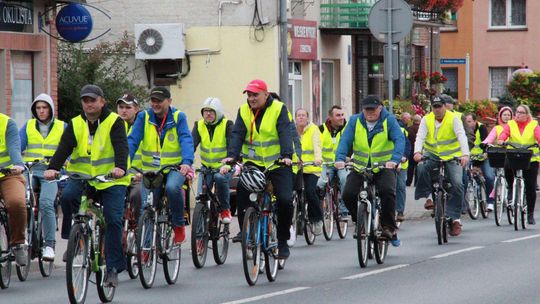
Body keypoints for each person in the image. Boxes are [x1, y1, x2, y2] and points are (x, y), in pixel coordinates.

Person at [44, 84, 130, 287]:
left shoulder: (114, 121)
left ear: (102, 101)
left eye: (93, 100)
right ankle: (73, 240)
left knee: (113, 219)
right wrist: (53, 168)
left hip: (111, 180)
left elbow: (121, 147)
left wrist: (120, 168)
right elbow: (64, 147)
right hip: (82, 177)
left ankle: (112, 269)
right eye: (85, 100)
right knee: (66, 197)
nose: (89, 104)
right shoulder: (75, 123)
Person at [223, 79, 294, 259]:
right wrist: (232, 155)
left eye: (255, 95)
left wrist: (287, 155)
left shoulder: (278, 109)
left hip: (277, 163)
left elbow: (285, 132)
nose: (251, 98)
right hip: (253, 163)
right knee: (241, 193)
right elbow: (237, 134)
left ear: (265, 94)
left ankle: (283, 239)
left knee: (285, 200)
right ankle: (247, 232)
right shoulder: (244, 110)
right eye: (249, 95)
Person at [128, 86, 194, 244]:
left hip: (174, 168)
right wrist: (122, 163)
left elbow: (186, 139)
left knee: (172, 188)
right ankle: (145, 248)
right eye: (153, 100)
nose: (155, 104)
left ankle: (178, 225)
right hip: (151, 170)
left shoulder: (178, 117)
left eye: (159, 101)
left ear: (169, 101)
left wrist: (186, 162)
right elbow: (132, 141)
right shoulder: (143, 117)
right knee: (147, 207)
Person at [336, 95, 404, 247]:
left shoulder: (389, 120)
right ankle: (360, 220)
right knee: (348, 194)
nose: (370, 113)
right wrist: (340, 158)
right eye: (367, 109)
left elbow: (399, 140)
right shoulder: (355, 121)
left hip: (383, 167)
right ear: (362, 109)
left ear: (380, 108)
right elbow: (345, 140)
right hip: (360, 167)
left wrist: (394, 160)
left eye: (373, 109)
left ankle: (388, 227)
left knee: (387, 191)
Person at [413, 96, 470, 237]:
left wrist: (465, 154)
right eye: (435, 107)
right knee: (421, 167)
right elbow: (420, 136)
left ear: (445, 106)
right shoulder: (427, 119)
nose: (437, 109)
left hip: (452, 156)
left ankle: (456, 219)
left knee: (457, 184)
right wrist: (417, 152)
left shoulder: (453, 118)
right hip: (433, 154)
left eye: (439, 106)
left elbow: (461, 135)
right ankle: (428, 197)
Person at [19, 93, 65, 261]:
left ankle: (49, 246)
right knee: (21, 201)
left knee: (46, 203)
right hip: (29, 170)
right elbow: (18, 146)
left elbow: (69, 149)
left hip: (51, 172)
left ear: (51, 109)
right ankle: (20, 240)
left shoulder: (62, 127)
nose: (41, 111)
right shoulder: (28, 126)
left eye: (44, 107)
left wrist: (62, 164)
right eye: (38, 108)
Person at [192, 97, 233, 224]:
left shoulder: (227, 125)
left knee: (220, 179)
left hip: (223, 168)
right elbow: (191, 145)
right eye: (205, 111)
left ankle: (225, 209)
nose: (208, 114)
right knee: (201, 197)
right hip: (206, 168)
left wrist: (228, 164)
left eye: (211, 111)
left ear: (218, 112)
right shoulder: (199, 125)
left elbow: (233, 147)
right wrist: (186, 163)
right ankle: (200, 229)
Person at [497, 105, 540, 225]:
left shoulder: (533, 125)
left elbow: (538, 136)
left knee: (531, 187)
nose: (518, 114)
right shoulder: (510, 124)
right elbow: (504, 135)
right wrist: (501, 140)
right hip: (514, 156)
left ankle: (530, 214)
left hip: (531, 159)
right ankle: (511, 189)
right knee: (507, 166)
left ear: (527, 114)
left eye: (521, 112)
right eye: (517, 112)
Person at [0, 113, 27, 266]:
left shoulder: (6, 123)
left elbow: (14, 147)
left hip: (9, 174)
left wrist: (18, 164)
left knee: (17, 202)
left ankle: (17, 243)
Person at [317, 105, 350, 219]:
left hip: (342, 164)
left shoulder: (348, 128)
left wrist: (349, 156)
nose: (341, 118)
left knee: (345, 179)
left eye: (342, 115)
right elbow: (316, 147)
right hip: (327, 165)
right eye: (338, 115)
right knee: (320, 184)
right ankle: (320, 208)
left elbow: (353, 143)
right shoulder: (321, 129)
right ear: (330, 117)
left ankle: (344, 210)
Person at [294, 108, 323, 235]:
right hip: (297, 167)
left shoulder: (314, 129)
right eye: (298, 115)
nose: (301, 117)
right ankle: (295, 217)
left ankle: (317, 219)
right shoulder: (292, 130)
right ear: (295, 118)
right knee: (292, 192)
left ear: (307, 118)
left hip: (311, 168)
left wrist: (317, 159)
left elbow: (317, 145)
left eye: (303, 115)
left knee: (310, 191)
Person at [116, 93, 143, 220]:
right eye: (121, 107)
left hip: (139, 175)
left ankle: (139, 227)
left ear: (136, 109)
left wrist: (144, 173)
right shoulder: (111, 125)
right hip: (118, 175)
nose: (124, 111)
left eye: (128, 107)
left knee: (137, 195)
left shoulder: (144, 125)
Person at [463, 113, 495, 211]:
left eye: (469, 122)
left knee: (489, 177)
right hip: (469, 157)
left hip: (482, 157)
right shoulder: (463, 129)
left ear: (475, 121)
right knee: (463, 177)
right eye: (466, 122)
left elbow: (486, 142)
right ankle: (462, 204)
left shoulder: (482, 128)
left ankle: (490, 202)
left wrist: (485, 153)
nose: (467, 124)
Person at [396, 126, 411, 222]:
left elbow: (407, 145)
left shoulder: (401, 130)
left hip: (401, 164)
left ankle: (400, 211)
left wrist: (404, 156)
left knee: (400, 186)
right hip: (387, 163)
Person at [406, 114, 421, 186]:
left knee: (410, 167)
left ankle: (409, 181)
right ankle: (417, 182)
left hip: (411, 149)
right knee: (418, 166)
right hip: (419, 150)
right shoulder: (421, 129)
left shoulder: (409, 129)